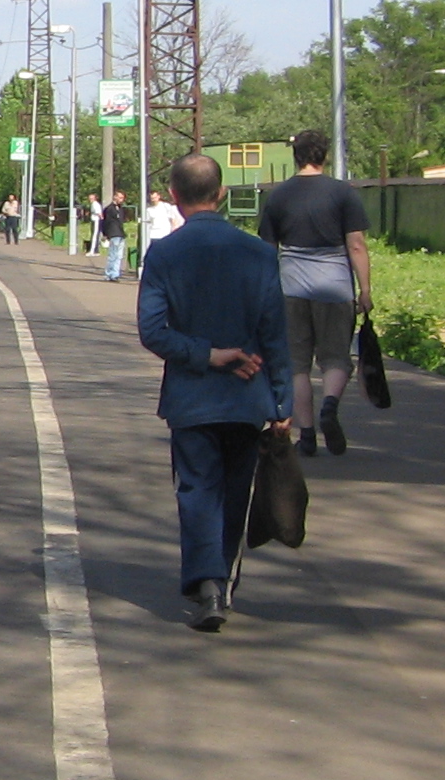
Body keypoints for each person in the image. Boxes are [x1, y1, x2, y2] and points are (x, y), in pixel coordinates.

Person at [138, 153, 291, 631]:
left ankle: (207, 586)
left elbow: (152, 331)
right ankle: (221, 579)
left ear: (175, 196)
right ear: (221, 194)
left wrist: (207, 355)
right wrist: (282, 402)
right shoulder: (260, 254)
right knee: (234, 490)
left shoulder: (164, 254)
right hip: (248, 396)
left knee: (197, 489)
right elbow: (275, 334)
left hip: (192, 397)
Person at [257, 128, 371, 457]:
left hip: (290, 285)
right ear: (324, 155)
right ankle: (330, 406)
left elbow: (268, 248)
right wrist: (365, 290)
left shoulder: (279, 196)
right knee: (336, 357)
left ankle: (306, 434)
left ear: (296, 156)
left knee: (297, 364)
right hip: (335, 286)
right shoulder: (343, 193)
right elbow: (357, 244)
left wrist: (267, 291)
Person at [99, 190, 129, 281]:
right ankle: (109, 274)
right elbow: (105, 222)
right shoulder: (109, 209)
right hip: (113, 233)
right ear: (114, 197)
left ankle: (115, 274)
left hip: (120, 234)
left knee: (119, 255)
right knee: (113, 255)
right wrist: (105, 234)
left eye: (122, 198)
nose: (121, 200)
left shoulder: (120, 208)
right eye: (119, 197)